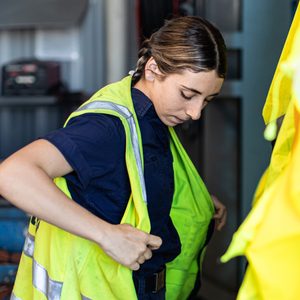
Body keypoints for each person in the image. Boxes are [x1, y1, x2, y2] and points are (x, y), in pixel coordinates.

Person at [0, 16, 227, 300]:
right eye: (187, 94)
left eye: (207, 100)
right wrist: (107, 235)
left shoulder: (153, 115)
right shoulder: (107, 128)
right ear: (154, 69)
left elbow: (137, 183)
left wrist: (197, 199)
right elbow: (12, 174)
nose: (195, 113)